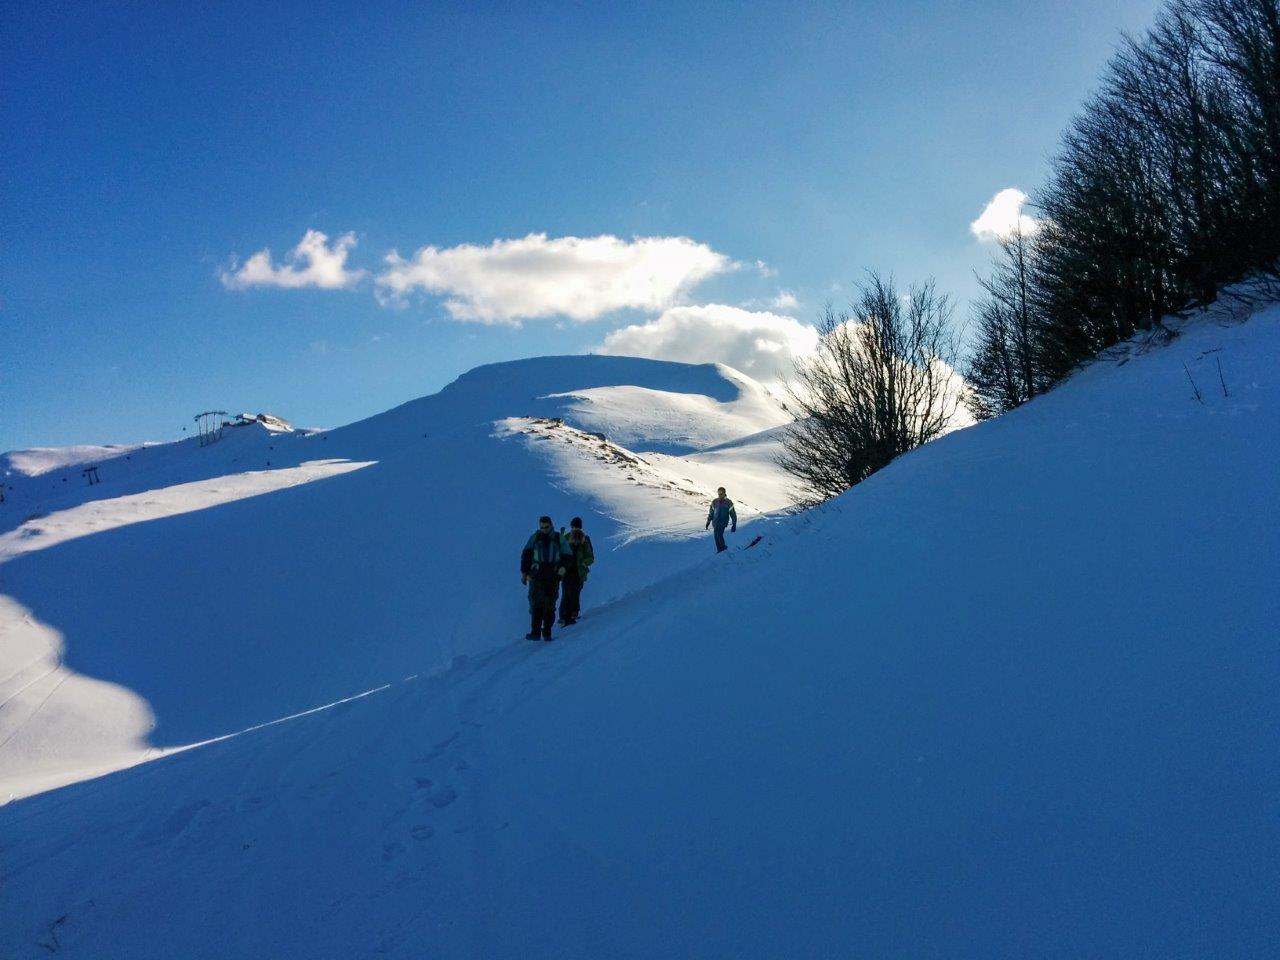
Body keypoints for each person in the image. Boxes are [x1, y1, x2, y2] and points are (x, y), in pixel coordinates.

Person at [520, 515, 567, 641]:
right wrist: (524, 573)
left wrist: (562, 567)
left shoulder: (558, 538)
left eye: (546, 527)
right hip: (537, 576)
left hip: (553, 576)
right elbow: (526, 554)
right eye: (542, 527)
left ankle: (547, 631)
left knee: (550, 604)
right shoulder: (535, 537)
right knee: (536, 603)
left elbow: (567, 555)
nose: (544, 529)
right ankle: (535, 632)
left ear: (551, 525)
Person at [558, 516, 595, 626]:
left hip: (577, 572)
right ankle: (566, 616)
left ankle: (569, 615)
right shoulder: (567, 537)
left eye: (576, 527)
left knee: (572, 593)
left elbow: (590, 557)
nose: (575, 529)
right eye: (574, 527)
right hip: (570, 571)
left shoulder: (584, 540)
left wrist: (584, 563)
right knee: (568, 593)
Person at [706, 487, 737, 553]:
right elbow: (711, 512)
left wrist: (734, 524)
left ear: (724, 493)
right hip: (715, 522)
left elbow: (733, 514)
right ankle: (719, 550)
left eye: (721, 493)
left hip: (723, 522)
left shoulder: (728, 502)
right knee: (716, 536)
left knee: (719, 534)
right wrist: (708, 521)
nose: (719, 495)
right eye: (718, 493)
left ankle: (723, 548)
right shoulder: (715, 501)